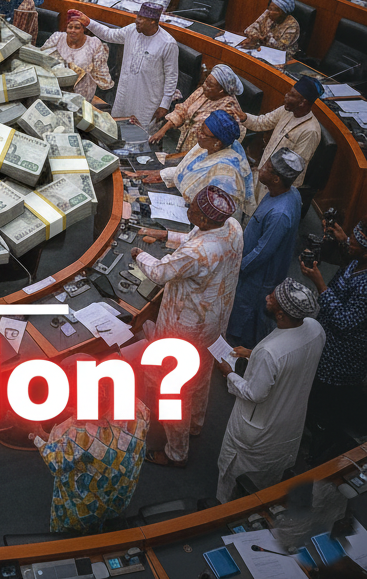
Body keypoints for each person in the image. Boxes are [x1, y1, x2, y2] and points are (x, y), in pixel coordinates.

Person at [132, 185, 243, 467]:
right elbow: (197, 239)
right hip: (214, 322)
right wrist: (166, 236)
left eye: (191, 208)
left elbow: (160, 272)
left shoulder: (197, 252)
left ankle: (176, 452)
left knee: (174, 389)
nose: (187, 209)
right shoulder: (232, 226)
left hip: (186, 330)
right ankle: (195, 423)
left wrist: (138, 255)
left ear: (204, 218)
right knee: (202, 375)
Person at [216, 279, 324, 500]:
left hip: (257, 431)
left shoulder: (270, 352)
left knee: (235, 478)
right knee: (266, 481)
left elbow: (254, 393)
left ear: (281, 315)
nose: (267, 297)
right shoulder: (316, 329)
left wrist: (229, 373)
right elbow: (291, 359)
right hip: (290, 423)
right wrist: (252, 354)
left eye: (272, 298)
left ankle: (223, 508)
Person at [31, 374, 149, 533]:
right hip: (120, 497)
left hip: (83, 511)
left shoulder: (76, 433)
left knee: (72, 534)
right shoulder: (138, 408)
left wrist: (36, 435)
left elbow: (55, 463)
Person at [301, 218, 367, 462]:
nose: (350, 243)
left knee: (323, 405)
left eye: (355, 242)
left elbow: (345, 322)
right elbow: (350, 250)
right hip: (325, 341)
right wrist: (341, 240)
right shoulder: (358, 260)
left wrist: (320, 285)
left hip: (340, 359)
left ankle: (316, 453)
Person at [226, 150, 307, 348]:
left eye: (267, 168)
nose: (261, 168)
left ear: (276, 179)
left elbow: (262, 252)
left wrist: (237, 268)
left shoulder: (280, 214)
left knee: (245, 315)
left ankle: (238, 351)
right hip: (256, 268)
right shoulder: (290, 192)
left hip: (258, 275)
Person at [131, 111, 254, 218]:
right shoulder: (206, 145)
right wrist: (159, 175)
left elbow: (215, 218)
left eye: (204, 133)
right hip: (181, 204)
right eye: (201, 129)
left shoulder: (226, 175)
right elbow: (188, 170)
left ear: (218, 142)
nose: (198, 134)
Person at [73, 4, 178, 128]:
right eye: (137, 16)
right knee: (117, 128)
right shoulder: (132, 30)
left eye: (141, 18)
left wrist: (164, 104)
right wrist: (89, 22)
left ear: (152, 21)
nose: (137, 21)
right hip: (125, 93)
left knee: (140, 133)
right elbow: (109, 34)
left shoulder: (168, 43)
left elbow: (172, 76)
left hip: (147, 101)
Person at [242, 76, 322, 206]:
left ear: (303, 102)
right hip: (264, 174)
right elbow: (262, 122)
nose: (286, 96)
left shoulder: (311, 131)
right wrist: (243, 117)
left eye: (291, 95)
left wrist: (269, 179)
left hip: (278, 188)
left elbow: (294, 169)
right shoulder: (287, 110)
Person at [151, 63, 246, 156]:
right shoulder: (204, 91)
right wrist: (163, 130)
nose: (204, 86)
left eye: (210, 85)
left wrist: (178, 158)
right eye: (206, 81)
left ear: (221, 90)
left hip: (202, 155)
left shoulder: (229, 109)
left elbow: (218, 146)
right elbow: (183, 109)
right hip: (185, 145)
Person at [40, 9, 113, 101]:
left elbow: (102, 77)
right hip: (56, 90)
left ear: (84, 29)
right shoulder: (57, 38)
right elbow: (41, 58)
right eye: (70, 27)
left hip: (82, 94)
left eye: (77, 27)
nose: (73, 31)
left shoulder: (94, 44)